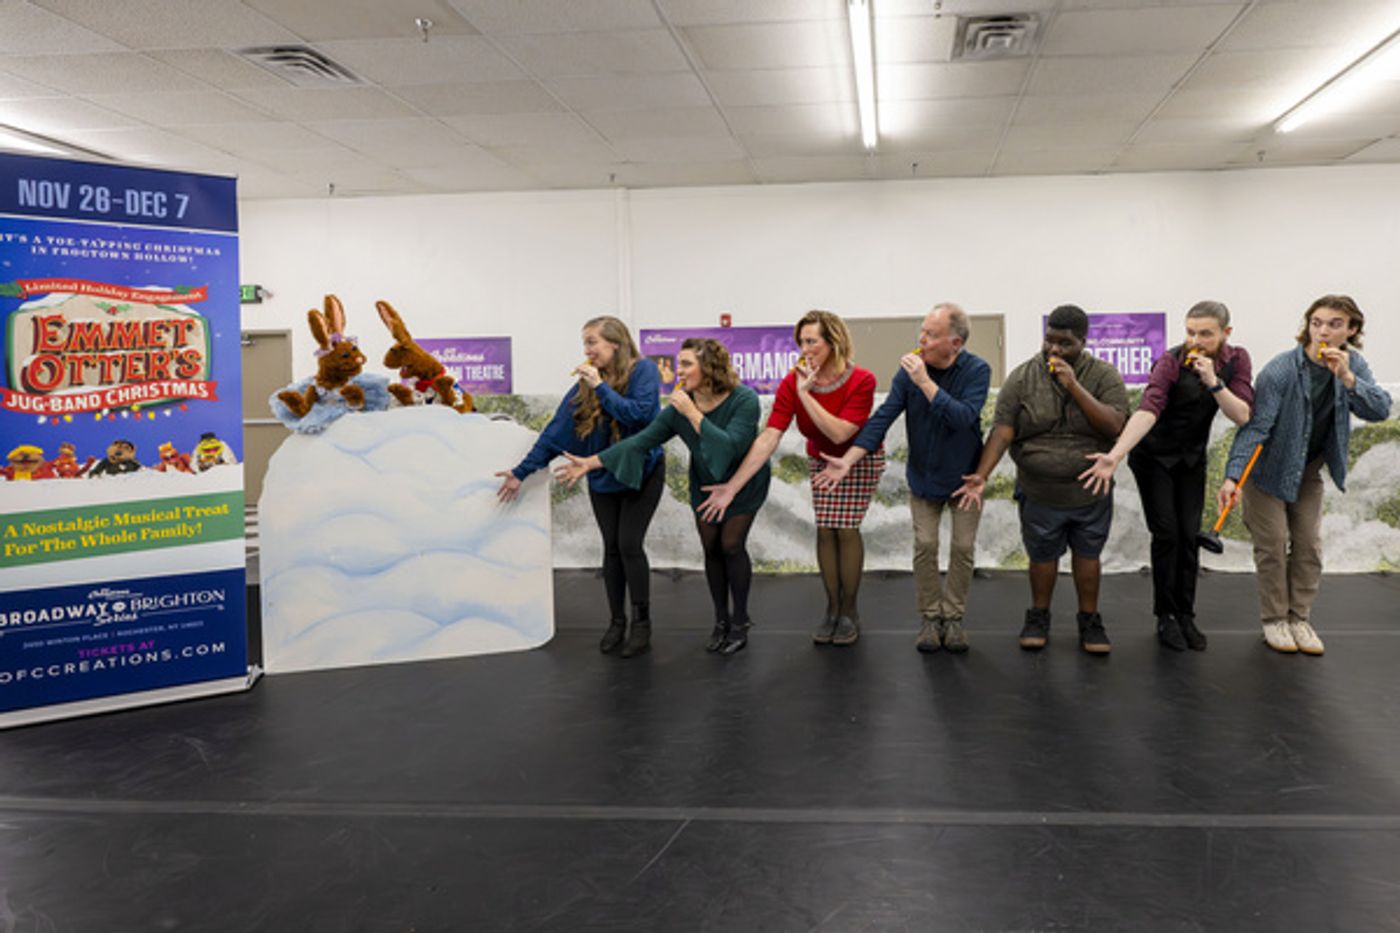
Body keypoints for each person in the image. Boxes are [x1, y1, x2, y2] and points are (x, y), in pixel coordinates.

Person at [557, 338, 770, 656]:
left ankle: (740, 620)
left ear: (708, 367)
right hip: (705, 481)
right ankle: (721, 621)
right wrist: (591, 462)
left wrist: (693, 414)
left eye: (686, 364)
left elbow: (727, 448)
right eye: (678, 363)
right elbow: (639, 442)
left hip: (742, 483)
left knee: (731, 545)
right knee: (711, 547)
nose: (676, 370)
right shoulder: (678, 409)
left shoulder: (744, 400)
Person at [1217, 295, 1390, 656]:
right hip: (1266, 471)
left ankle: (1299, 618)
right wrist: (1233, 477)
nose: (1323, 330)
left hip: (1308, 470)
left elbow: (1380, 410)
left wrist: (1346, 377)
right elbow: (1254, 426)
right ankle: (1274, 620)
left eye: (1334, 324)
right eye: (1317, 323)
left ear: (1351, 330)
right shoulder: (1281, 370)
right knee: (1273, 546)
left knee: (1309, 546)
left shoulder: (1353, 363)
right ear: (1307, 325)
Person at [814, 303, 990, 653]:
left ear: (955, 343)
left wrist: (925, 382)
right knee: (925, 546)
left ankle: (952, 618)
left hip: (966, 480)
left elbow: (963, 418)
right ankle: (929, 617)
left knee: (963, 548)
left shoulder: (976, 370)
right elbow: (883, 418)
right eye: (921, 331)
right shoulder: (906, 374)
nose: (921, 339)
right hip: (924, 478)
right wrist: (848, 460)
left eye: (931, 334)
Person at [697, 310, 879, 647]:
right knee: (825, 527)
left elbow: (841, 433)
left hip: (856, 459)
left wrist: (807, 395)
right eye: (802, 342)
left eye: (813, 341)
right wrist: (733, 486)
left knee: (846, 527)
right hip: (820, 459)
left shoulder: (862, 379)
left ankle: (850, 611)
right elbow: (769, 436)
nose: (805, 348)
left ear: (833, 341)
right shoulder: (791, 381)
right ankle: (832, 609)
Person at [1079, 301, 1253, 651]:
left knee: (1189, 536)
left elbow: (1243, 415)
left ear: (1225, 334)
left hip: (1190, 459)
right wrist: (1115, 455)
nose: (1196, 340)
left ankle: (1186, 614)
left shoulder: (1237, 360)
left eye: (1205, 333)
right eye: (1190, 332)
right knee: (1168, 534)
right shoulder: (1170, 362)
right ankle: (1165, 616)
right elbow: (1147, 410)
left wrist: (1214, 382)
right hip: (1154, 458)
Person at [954, 304, 1128, 654]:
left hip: (1089, 490)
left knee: (1087, 554)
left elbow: (1114, 426)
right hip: (1039, 489)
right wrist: (982, 475)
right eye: (1050, 341)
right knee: (1042, 555)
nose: (1055, 350)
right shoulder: (1022, 377)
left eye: (1065, 343)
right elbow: (1003, 431)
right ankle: (1038, 616)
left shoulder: (1105, 376)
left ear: (1083, 341)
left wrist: (1074, 386)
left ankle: (1089, 620)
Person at [497, 317, 663, 658]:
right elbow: (556, 433)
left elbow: (641, 416)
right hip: (601, 472)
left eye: (592, 342)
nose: (586, 351)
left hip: (640, 470)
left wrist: (600, 386)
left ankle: (641, 624)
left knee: (630, 544)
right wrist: (520, 472)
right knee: (612, 548)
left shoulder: (643, 371)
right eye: (584, 344)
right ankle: (617, 621)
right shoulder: (584, 385)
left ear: (614, 343)